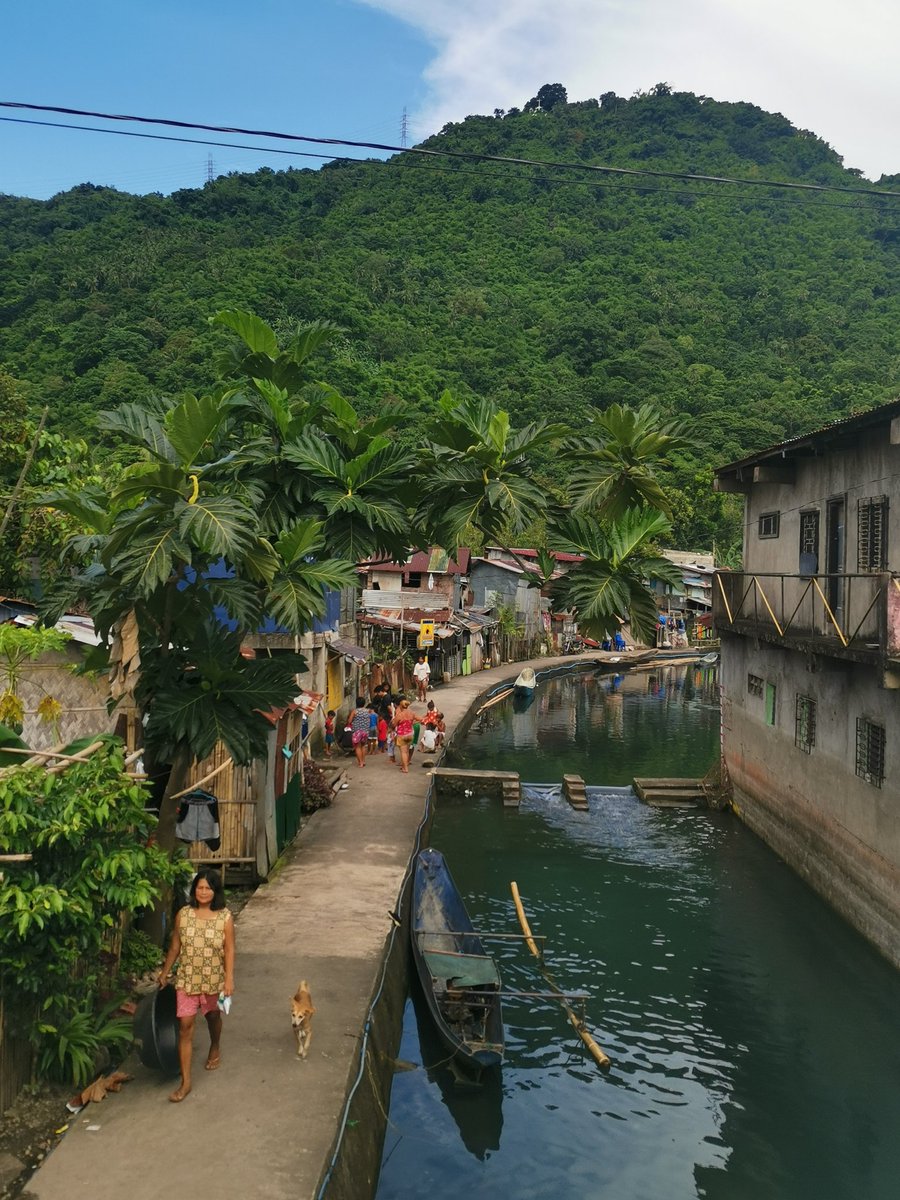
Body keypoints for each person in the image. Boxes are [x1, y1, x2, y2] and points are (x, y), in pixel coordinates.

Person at [158, 867, 235, 1103]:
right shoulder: (184, 914)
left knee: (213, 1017)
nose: (203, 892)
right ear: (194, 890)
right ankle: (186, 1082)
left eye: (208, 888)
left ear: (215, 891)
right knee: (185, 1027)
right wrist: (165, 972)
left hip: (213, 979)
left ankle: (215, 1045)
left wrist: (229, 978)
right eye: (199, 887)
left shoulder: (225, 917)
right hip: (187, 978)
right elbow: (174, 947)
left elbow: (229, 949)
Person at [391, 698, 415, 773]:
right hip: (410, 734)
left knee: (403, 752)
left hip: (402, 735)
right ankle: (405, 765)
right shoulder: (411, 713)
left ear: (401, 706)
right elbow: (416, 720)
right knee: (407, 751)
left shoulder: (399, 715)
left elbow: (394, 725)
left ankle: (405, 768)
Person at [348, 696, 371, 767]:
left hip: (357, 732)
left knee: (357, 747)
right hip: (365, 731)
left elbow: (349, 721)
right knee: (363, 746)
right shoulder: (368, 711)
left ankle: (360, 763)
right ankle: (363, 761)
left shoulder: (355, 711)